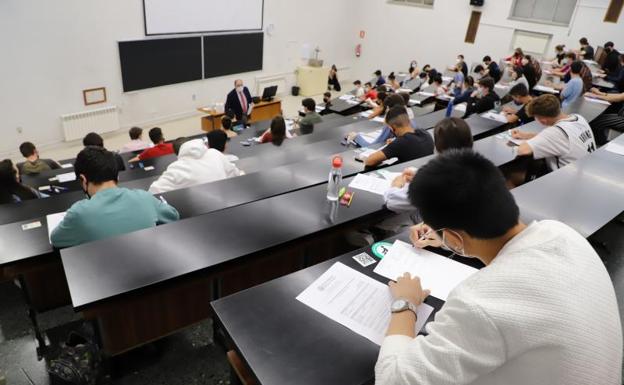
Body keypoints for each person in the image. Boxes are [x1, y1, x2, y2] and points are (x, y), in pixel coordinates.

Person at [375, 149, 622, 385]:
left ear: (455, 235)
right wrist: (448, 238)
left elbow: (392, 379)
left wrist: (405, 304)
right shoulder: (562, 233)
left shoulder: (479, 304)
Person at [50, 146, 179, 248]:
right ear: (117, 176)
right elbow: (173, 215)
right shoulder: (144, 197)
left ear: (83, 179)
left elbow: (56, 240)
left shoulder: (79, 213)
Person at [384, 118, 474, 213]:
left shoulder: (435, 180)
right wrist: (418, 175)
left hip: (440, 224)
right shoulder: (475, 169)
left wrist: (395, 185)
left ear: (438, 146)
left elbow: (392, 202)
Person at [511, 94, 596, 172]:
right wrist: (525, 135)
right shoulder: (578, 117)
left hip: (565, 178)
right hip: (586, 168)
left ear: (543, 121)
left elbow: (522, 150)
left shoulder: (556, 132)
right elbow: (556, 141)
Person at [148, 137, 243, 194]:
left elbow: (154, 191)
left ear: (177, 153)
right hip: (228, 202)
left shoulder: (176, 168)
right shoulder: (215, 153)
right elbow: (236, 173)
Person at [364, 106, 433, 168]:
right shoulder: (425, 133)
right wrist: (394, 144)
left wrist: (392, 146)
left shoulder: (401, 142)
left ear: (392, 127)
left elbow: (369, 161)